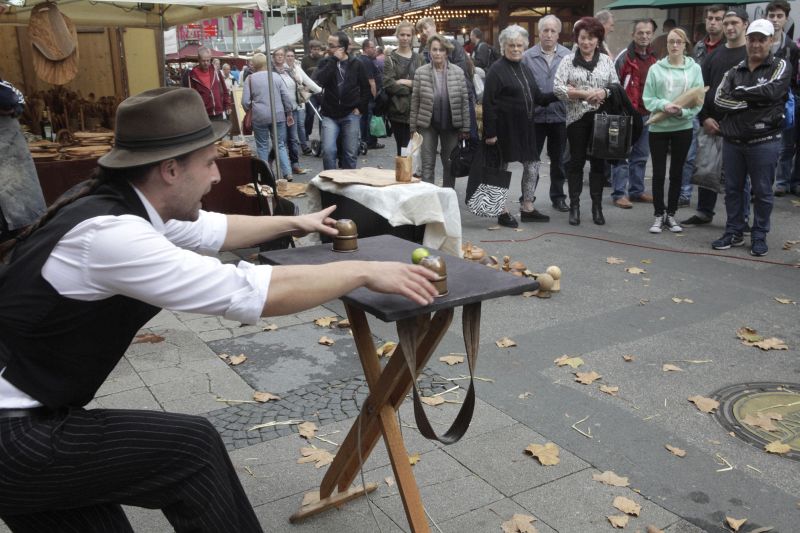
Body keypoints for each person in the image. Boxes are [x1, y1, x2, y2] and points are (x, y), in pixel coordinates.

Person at [0, 87, 438, 532]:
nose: (216, 176)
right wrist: (363, 272)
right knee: (192, 451)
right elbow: (248, 290)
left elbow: (215, 229)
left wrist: (297, 222)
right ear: (171, 170)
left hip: (32, 416)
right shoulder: (113, 237)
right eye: (209, 163)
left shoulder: (119, 204)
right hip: (15, 437)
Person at [711, 19, 789, 256]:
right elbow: (718, 100)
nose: (756, 44)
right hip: (733, 141)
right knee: (733, 190)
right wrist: (754, 103)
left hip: (765, 141)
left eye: (761, 39)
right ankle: (734, 231)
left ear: (771, 41)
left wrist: (740, 94)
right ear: (747, 40)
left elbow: (774, 92)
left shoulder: (779, 65)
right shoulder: (734, 71)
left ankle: (759, 235)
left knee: (763, 192)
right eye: (752, 39)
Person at [482, 25, 558, 228]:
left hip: (525, 128)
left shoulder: (524, 68)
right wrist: (490, 133)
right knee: (500, 169)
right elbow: (488, 103)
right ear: (503, 46)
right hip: (503, 129)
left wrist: (561, 94)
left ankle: (527, 207)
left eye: (519, 45)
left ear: (524, 46)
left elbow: (539, 97)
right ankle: (501, 210)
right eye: (511, 45)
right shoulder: (496, 70)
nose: (516, 49)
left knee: (533, 166)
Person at [682, 8, 750, 228]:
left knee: (739, 177)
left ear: (745, 24)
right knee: (706, 170)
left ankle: (741, 219)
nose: (729, 27)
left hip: (739, 127)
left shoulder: (751, 55)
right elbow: (700, 90)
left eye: (734, 22)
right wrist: (704, 118)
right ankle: (704, 211)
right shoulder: (714, 56)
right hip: (711, 123)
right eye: (727, 23)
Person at [554, 16, 620, 226]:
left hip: (601, 119)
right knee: (576, 162)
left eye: (591, 38)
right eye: (583, 37)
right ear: (577, 38)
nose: (586, 42)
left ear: (598, 40)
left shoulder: (606, 61)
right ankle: (574, 207)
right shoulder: (567, 61)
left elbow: (616, 86)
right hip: (576, 119)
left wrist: (603, 92)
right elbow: (557, 88)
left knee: (599, 163)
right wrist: (582, 93)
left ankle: (597, 207)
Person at [642, 27, 703, 234]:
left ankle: (672, 214)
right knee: (658, 173)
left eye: (679, 41)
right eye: (671, 41)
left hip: (683, 126)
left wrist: (683, 113)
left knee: (677, 172)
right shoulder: (655, 69)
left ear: (685, 45)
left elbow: (698, 99)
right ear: (666, 44)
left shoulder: (695, 69)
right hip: (658, 127)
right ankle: (659, 214)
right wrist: (664, 105)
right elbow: (648, 98)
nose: (675, 45)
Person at [522, 14, 571, 214]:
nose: (549, 34)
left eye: (553, 31)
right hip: (535, 117)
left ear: (558, 34)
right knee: (531, 161)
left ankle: (558, 197)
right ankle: (527, 198)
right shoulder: (527, 56)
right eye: (545, 30)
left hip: (559, 115)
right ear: (538, 33)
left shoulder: (568, 56)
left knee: (558, 160)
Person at [681, 4, 727, 208]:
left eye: (718, 19)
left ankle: (722, 209)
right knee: (691, 156)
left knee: (718, 161)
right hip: (697, 110)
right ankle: (686, 195)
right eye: (710, 18)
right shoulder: (699, 47)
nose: (713, 22)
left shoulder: (730, 47)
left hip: (721, 112)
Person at [409, 33, 470, 188]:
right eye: (434, 49)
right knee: (427, 165)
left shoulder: (458, 72)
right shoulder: (421, 72)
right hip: (427, 124)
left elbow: (464, 101)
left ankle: (448, 195)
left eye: (441, 50)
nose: (437, 53)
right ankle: (429, 197)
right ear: (429, 51)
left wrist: (465, 127)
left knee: (449, 163)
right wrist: (412, 127)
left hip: (451, 124)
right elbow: (415, 101)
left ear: (447, 52)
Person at [611, 19, 658, 209]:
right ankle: (619, 193)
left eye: (648, 33)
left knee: (641, 155)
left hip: (647, 114)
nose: (644, 36)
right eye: (640, 32)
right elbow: (613, 84)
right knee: (621, 155)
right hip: (626, 114)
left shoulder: (655, 58)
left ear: (652, 35)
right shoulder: (624, 57)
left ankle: (637, 191)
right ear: (633, 35)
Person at [312, 31, 370, 170]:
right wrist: (333, 61)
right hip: (329, 114)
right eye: (328, 45)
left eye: (331, 46)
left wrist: (360, 108)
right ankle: (330, 180)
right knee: (328, 150)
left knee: (350, 152)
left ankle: (348, 181)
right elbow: (319, 81)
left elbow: (365, 88)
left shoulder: (357, 63)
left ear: (342, 48)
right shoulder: (325, 62)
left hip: (350, 113)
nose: (328, 48)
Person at [0, 79, 46, 244]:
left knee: (20, 214)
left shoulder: (6, 88)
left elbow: (11, 99)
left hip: (10, 154)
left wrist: (13, 106)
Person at [766, 0, 800, 196]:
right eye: (772, 16)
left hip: (783, 99)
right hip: (763, 100)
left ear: (786, 19)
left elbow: (793, 76)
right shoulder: (760, 41)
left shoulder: (791, 47)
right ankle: (768, 181)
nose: (775, 20)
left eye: (779, 16)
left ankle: (782, 181)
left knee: (786, 144)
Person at [242, 52, 294, 179]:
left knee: (262, 146)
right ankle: (287, 173)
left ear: (254, 64)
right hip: (278, 114)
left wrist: (250, 109)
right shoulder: (276, 76)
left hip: (259, 116)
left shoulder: (250, 79)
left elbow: (245, 102)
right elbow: (286, 97)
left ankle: (266, 175)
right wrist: (289, 112)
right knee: (280, 144)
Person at [383, 20, 425, 156]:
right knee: (403, 151)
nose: (405, 38)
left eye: (408, 35)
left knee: (416, 151)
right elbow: (389, 85)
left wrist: (404, 82)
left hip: (417, 110)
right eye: (402, 35)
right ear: (397, 35)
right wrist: (413, 86)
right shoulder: (390, 59)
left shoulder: (419, 59)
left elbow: (424, 83)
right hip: (398, 110)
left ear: (412, 36)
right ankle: (403, 170)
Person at [272, 47, 309, 176]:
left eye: (282, 55)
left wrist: (299, 83)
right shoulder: (271, 73)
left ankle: (295, 165)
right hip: (280, 111)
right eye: (277, 55)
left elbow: (298, 86)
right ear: (273, 58)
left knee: (293, 139)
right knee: (281, 140)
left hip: (293, 109)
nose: (280, 57)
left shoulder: (289, 71)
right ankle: (279, 165)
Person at [286, 48, 322, 156]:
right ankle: (291, 148)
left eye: (292, 56)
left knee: (300, 125)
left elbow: (308, 81)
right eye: (288, 56)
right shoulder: (282, 70)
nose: (290, 58)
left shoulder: (297, 68)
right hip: (287, 103)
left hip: (300, 100)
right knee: (291, 127)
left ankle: (304, 145)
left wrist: (320, 90)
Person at [182, 46, 231, 121]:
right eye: (203, 61)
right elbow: (191, 97)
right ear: (198, 59)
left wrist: (227, 105)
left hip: (218, 112)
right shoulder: (192, 75)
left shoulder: (216, 71)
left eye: (208, 60)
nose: (206, 63)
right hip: (202, 114)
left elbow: (224, 90)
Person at [358, 39, 384, 150]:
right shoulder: (367, 61)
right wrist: (374, 97)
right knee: (369, 119)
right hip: (369, 96)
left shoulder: (360, 59)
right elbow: (371, 81)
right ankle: (370, 141)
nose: (374, 49)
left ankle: (365, 140)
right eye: (372, 47)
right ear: (366, 48)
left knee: (365, 119)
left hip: (363, 96)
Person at [302, 40, 325, 140]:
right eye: (314, 49)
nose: (316, 51)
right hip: (310, 91)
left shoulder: (323, 59)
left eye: (318, 49)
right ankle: (307, 132)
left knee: (322, 114)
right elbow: (302, 75)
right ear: (311, 49)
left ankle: (322, 135)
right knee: (310, 113)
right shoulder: (305, 60)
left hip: (320, 90)